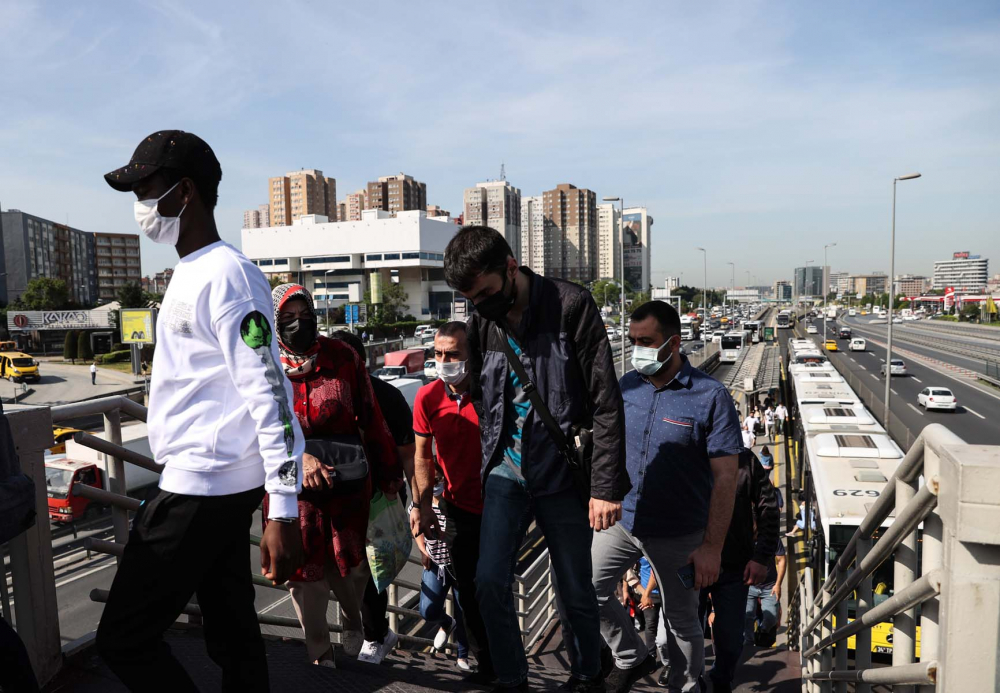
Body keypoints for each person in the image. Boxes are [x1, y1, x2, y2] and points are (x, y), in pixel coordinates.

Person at [97, 130, 305, 691]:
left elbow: (270, 394)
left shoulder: (228, 275)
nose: (140, 203)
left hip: (201, 488)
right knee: (233, 637)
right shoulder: (188, 271)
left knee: (123, 638)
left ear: (185, 191)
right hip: (208, 482)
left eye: (147, 187)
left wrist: (284, 511)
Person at [436, 226, 629, 692]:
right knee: (486, 581)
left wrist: (603, 488)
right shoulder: (484, 318)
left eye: (484, 292)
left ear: (510, 266)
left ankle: (586, 675)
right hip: (506, 468)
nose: (480, 305)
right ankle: (512, 676)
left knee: (575, 590)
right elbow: (484, 388)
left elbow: (606, 401)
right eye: (470, 299)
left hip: (562, 475)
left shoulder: (570, 305)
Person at [593, 300, 743, 693]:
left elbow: (726, 477)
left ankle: (685, 685)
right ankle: (631, 656)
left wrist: (712, 547)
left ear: (674, 343)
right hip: (624, 520)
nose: (637, 349)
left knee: (681, 621)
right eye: (632, 340)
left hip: (679, 533)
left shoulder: (711, 396)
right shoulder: (626, 387)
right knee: (583, 585)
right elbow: (605, 448)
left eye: (647, 341)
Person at [267, 284, 402, 668]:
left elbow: (371, 416)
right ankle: (319, 652)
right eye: (287, 318)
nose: (298, 324)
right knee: (305, 575)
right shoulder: (265, 365)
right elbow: (254, 428)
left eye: (304, 315)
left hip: (347, 483)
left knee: (353, 565)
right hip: (292, 490)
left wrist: (389, 471)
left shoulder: (342, 357)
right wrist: (302, 458)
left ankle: (351, 617)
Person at [410, 321, 494, 679]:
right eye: (439, 353)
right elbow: (421, 457)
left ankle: (508, 662)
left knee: (493, 585)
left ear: (471, 356)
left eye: (453, 354)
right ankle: (487, 665)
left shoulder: (493, 393)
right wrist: (423, 505)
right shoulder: (427, 397)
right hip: (457, 508)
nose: (444, 361)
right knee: (468, 592)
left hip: (500, 506)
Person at [331, 330, 415, 664]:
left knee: (372, 566)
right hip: (342, 496)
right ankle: (361, 632)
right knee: (342, 567)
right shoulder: (330, 399)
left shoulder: (387, 397)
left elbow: (409, 453)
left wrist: (416, 501)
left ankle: (376, 634)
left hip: (381, 495)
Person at [698, 448, 779, 693]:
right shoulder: (686, 451)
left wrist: (762, 557)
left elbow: (769, 508)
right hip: (692, 561)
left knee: (732, 637)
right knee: (685, 629)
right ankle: (691, 682)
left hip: (733, 565)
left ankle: (722, 679)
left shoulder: (746, 460)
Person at [413, 475, 473, 672]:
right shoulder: (421, 504)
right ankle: (447, 623)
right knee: (427, 610)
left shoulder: (454, 503)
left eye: (440, 480)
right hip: (436, 565)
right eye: (433, 480)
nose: (436, 484)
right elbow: (416, 528)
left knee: (463, 610)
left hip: (459, 565)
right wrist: (423, 552)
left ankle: (463, 656)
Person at [746, 537, 786, 648]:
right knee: (747, 617)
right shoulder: (744, 534)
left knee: (771, 618)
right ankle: (747, 646)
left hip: (770, 586)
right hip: (749, 585)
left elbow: (781, 560)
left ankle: (761, 632)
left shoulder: (772, 537)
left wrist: (778, 584)